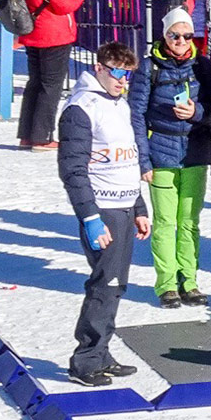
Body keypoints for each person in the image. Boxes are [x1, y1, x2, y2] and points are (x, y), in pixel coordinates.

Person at [58, 42, 150, 386]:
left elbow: (127, 159)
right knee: (104, 284)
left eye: (128, 73)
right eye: (116, 72)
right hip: (103, 210)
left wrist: (139, 207)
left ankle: (101, 351)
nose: (122, 80)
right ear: (99, 67)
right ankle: (85, 360)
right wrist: (90, 216)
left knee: (116, 285)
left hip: (125, 206)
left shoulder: (119, 104)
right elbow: (72, 169)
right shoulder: (81, 107)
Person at [131, 7, 211, 308]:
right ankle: (167, 284)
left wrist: (197, 113)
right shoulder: (149, 68)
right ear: (164, 35)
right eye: (174, 35)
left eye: (186, 35)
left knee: (190, 222)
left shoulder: (203, 67)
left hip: (194, 151)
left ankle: (189, 281)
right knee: (166, 222)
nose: (180, 40)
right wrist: (143, 160)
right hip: (162, 153)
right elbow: (137, 116)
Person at [15, 0, 88, 150]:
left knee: (35, 82)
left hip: (33, 28)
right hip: (53, 33)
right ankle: (42, 137)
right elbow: (62, 4)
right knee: (51, 85)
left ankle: (27, 134)